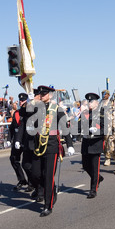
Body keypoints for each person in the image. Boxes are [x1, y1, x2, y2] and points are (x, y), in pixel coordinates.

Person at [31, 85, 75, 217]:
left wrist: (69, 144)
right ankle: (52, 192)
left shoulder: (57, 109)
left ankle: (47, 205)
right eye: (40, 94)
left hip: (51, 145)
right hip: (38, 145)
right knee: (36, 174)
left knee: (48, 176)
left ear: (49, 95)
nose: (42, 96)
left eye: (44, 94)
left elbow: (65, 127)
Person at [79, 92, 105, 198]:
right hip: (86, 142)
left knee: (94, 167)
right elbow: (79, 125)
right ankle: (98, 178)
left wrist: (97, 131)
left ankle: (93, 189)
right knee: (85, 165)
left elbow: (106, 128)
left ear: (96, 103)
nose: (89, 103)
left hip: (96, 143)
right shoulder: (85, 112)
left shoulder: (102, 113)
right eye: (88, 101)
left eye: (91, 101)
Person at [9, 93, 29, 190]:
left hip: (26, 140)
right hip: (17, 141)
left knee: (28, 163)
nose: (21, 102)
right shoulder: (16, 113)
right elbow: (12, 127)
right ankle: (21, 179)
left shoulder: (29, 112)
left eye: (23, 100)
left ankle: (32, 182)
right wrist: (9, 139)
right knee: (13, 159)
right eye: (20, 100)